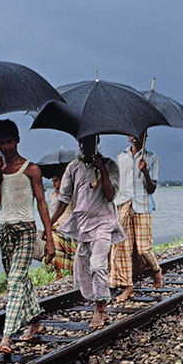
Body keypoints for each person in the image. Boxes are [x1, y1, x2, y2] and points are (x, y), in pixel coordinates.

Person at [0, 120, 55, 354]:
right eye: (1, 143)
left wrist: (49, 238)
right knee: (20, 278)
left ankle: (7, 336)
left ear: (17, 140)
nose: (6, 147)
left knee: (15, 281)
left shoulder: (31, 169)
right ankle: (35, 321)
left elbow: (42, 203)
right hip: (3, 229)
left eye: (9, 141)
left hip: (26, 229)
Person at [49, 135, 123, 329]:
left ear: (97, 141)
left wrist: (102, 169)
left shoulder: (110, 164)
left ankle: (101, 309)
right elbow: (63, 199)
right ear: (79, 143)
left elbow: (110, 195)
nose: (86, 146)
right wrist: (49, 224)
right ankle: (97, 300)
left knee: (98, 266)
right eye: (83, 142)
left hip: (103, 222)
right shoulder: (73, 168)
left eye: (91, 141)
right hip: (82, 225)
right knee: (82, 270)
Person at [111, 133, 163, 302]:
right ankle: (128, 287)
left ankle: (155, 269)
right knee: (123, 248)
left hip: (143, 205)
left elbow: (152, 188)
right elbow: (116, 184)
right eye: (132, 134)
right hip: (123, 205)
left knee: (143, 248)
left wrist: (145, 172)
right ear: (128, 136)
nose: (135, 137)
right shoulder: (121, 157)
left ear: (145, 136)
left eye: (139, 134)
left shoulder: (151, 157)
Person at [46, 172, 75, 280]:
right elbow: (53, 211)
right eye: (53, 181)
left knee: (72, 250)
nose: (54, 183)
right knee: (54, 245)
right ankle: (58, 273)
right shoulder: (52, 195)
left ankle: (73, 272)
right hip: (56, 225)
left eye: (56, 180)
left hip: (69, 224)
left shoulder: (70, 195)